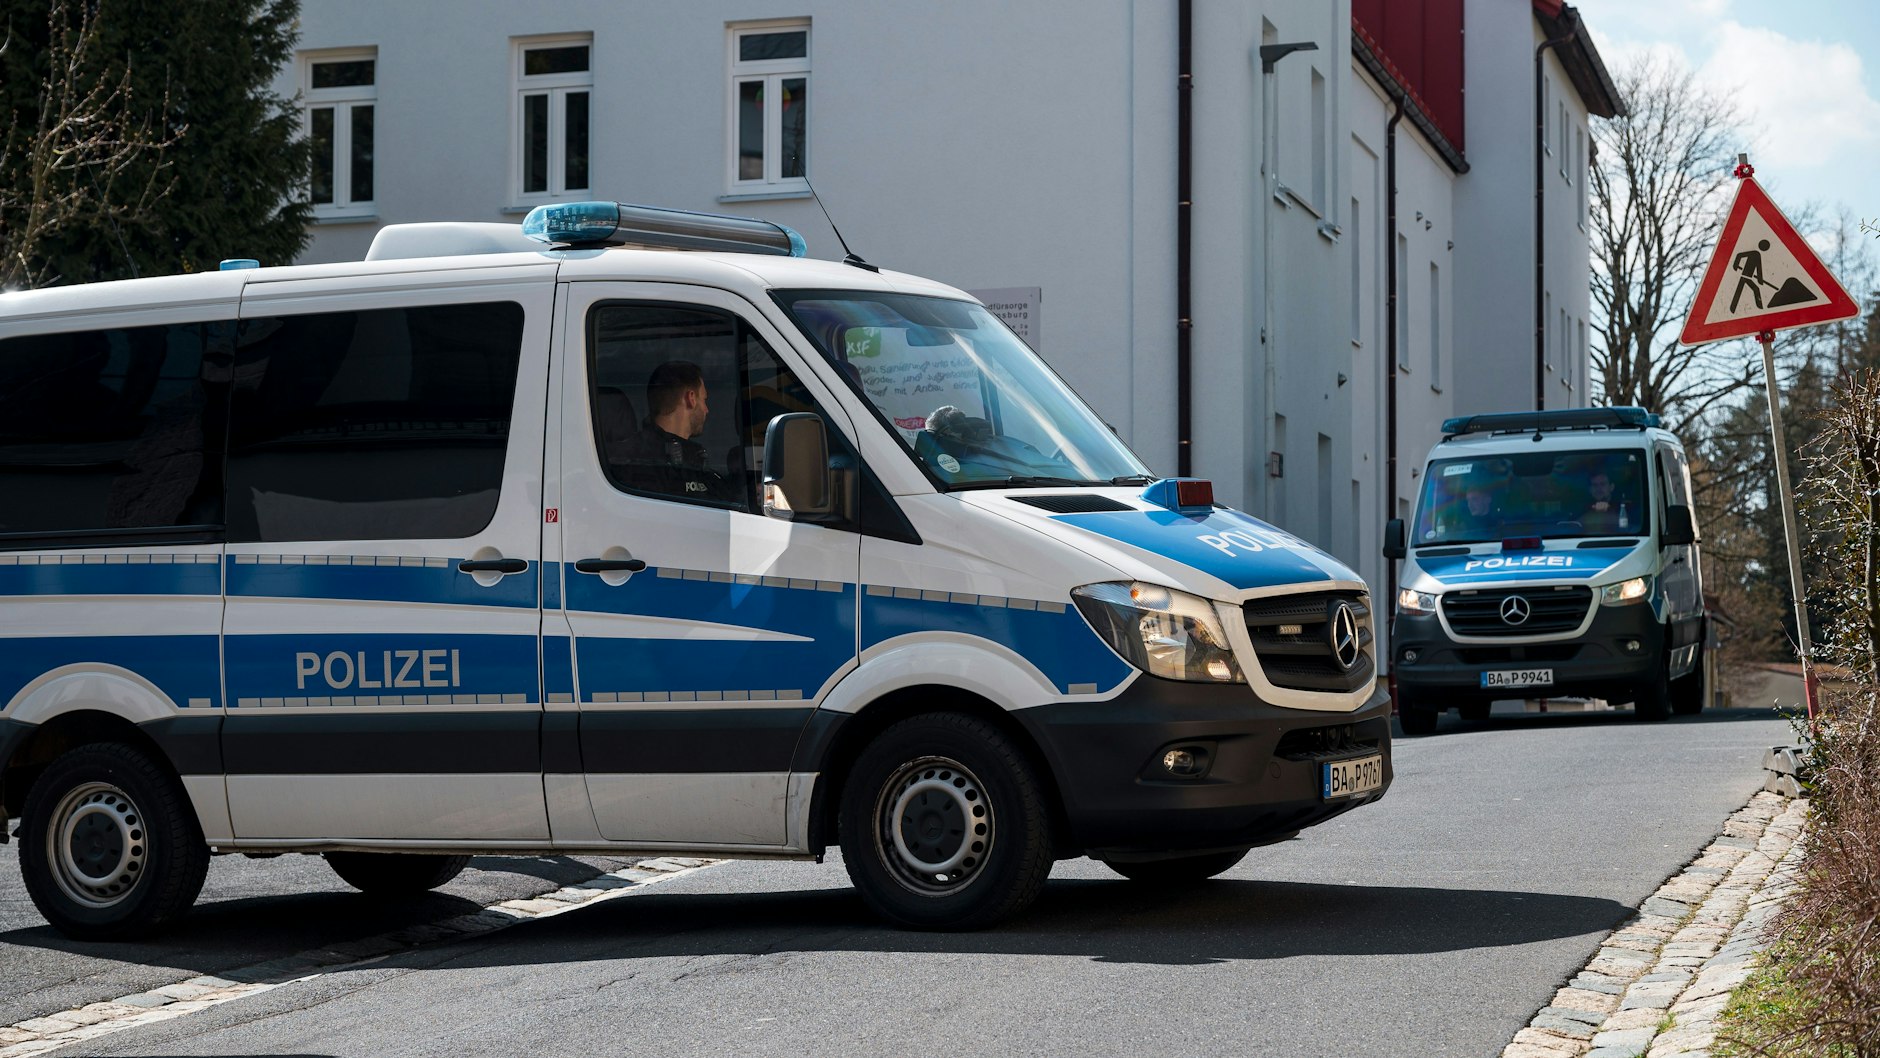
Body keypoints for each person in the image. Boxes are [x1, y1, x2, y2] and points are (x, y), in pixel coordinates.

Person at [624, 360, 737, 503]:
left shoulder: (630, 458)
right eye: (704, 400)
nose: (706, 410)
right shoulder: (654, 466)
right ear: (691, 398)